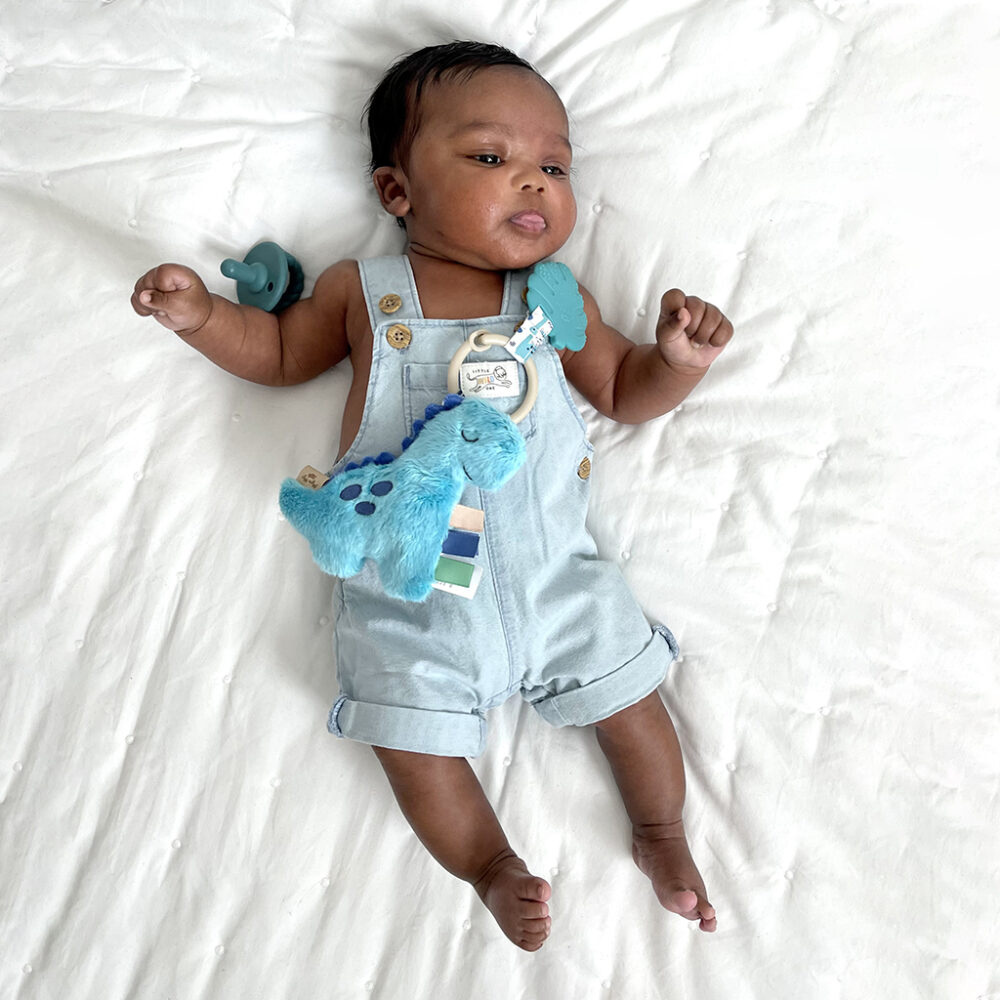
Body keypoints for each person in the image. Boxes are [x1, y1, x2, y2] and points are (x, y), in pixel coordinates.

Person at [131, 41, 733, 951]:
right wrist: (205, 319)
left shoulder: (556, 297)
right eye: (491, 158)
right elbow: (280, 355)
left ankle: (662, 834)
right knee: (410, 742)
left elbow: (622, 391)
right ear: (397, 192)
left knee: (634, 698)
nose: (532, 182)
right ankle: (489, 864)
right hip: (413, 598)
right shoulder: (362, 293)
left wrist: (677, 363)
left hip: (558, 585)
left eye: (554, 165)